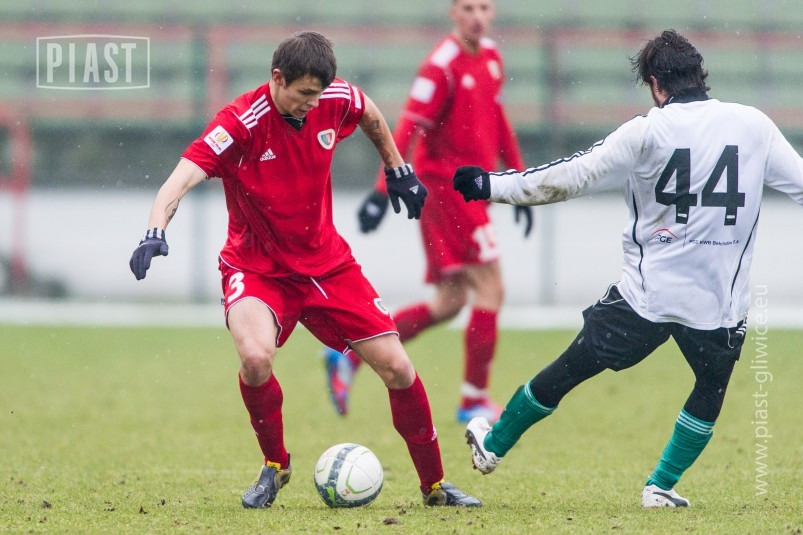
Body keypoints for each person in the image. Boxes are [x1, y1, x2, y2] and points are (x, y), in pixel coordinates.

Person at [129, 31, 480, 508]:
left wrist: (397, 169)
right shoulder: (240, 123)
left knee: (398, 368)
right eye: (304, 94)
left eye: (319, 94)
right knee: (256, 359)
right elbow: (179, 179)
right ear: (277, 78)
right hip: (257, 267)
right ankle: (275, 466)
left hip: (327, 265)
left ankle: (434, 486)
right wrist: (155, 229)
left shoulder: (332, 98)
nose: (314, 104)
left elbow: (370, 112)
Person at [455, 29, 803, 507]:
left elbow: (568, 177)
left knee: (571, 369)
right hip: (718, 302)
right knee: (710, 386)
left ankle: (494, 445)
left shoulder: (646, 131)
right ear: (701, 75)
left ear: (655, 84)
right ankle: (660, 486)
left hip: (646, 297)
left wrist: (491, 186)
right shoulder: (754, 126)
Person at [323, 0, 532, 424]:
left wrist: (520, 180)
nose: (477, 16)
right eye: (468, 7)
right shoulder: (441, 65)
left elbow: (498, 119)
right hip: (448, 193)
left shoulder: (491, 57)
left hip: (472, 193)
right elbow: (408, 126)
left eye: (484, 7)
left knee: (450, 302)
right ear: (453, 12)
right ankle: (473, 399)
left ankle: (349, 353)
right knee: (491, 287)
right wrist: (383, 189)